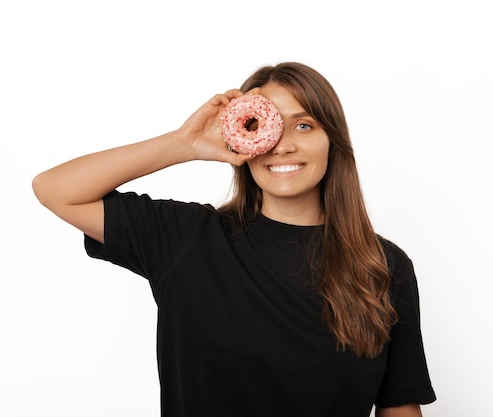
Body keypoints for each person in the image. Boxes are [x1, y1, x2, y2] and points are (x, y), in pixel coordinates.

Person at [32, 62, 436, 417]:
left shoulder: (381, 264)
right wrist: (182, 144)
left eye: (304, 124)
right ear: (242, 138)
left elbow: (398, 405)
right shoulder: (186, 238)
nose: (284, 144)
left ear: (333, 140)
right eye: (266, 125)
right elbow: (55, 189)